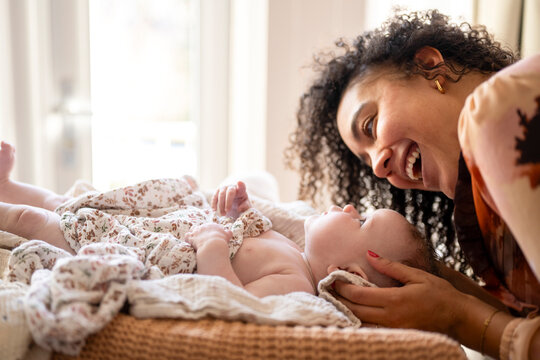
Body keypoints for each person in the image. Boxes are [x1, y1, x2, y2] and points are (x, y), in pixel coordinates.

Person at [286, 9, 539, 360]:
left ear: (429, 65)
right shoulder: (487, 211)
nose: (378, 167)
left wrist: (456, 316)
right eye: (366, 160)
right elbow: (527, 321)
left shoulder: (497, 113)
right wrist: (430, 280)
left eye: (371, 125)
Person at [0, 141, 436, 298]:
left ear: (347, 273)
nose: (349, 208)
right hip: (163, 222)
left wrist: (212, 248)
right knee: (72, 201)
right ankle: (9, 186)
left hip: (147, 247)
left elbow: (230, 296)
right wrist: (235, 211)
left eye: (360, 223)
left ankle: (10, 204)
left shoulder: (294, 281)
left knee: (37, 222)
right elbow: (241, 235)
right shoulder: (291, 248)